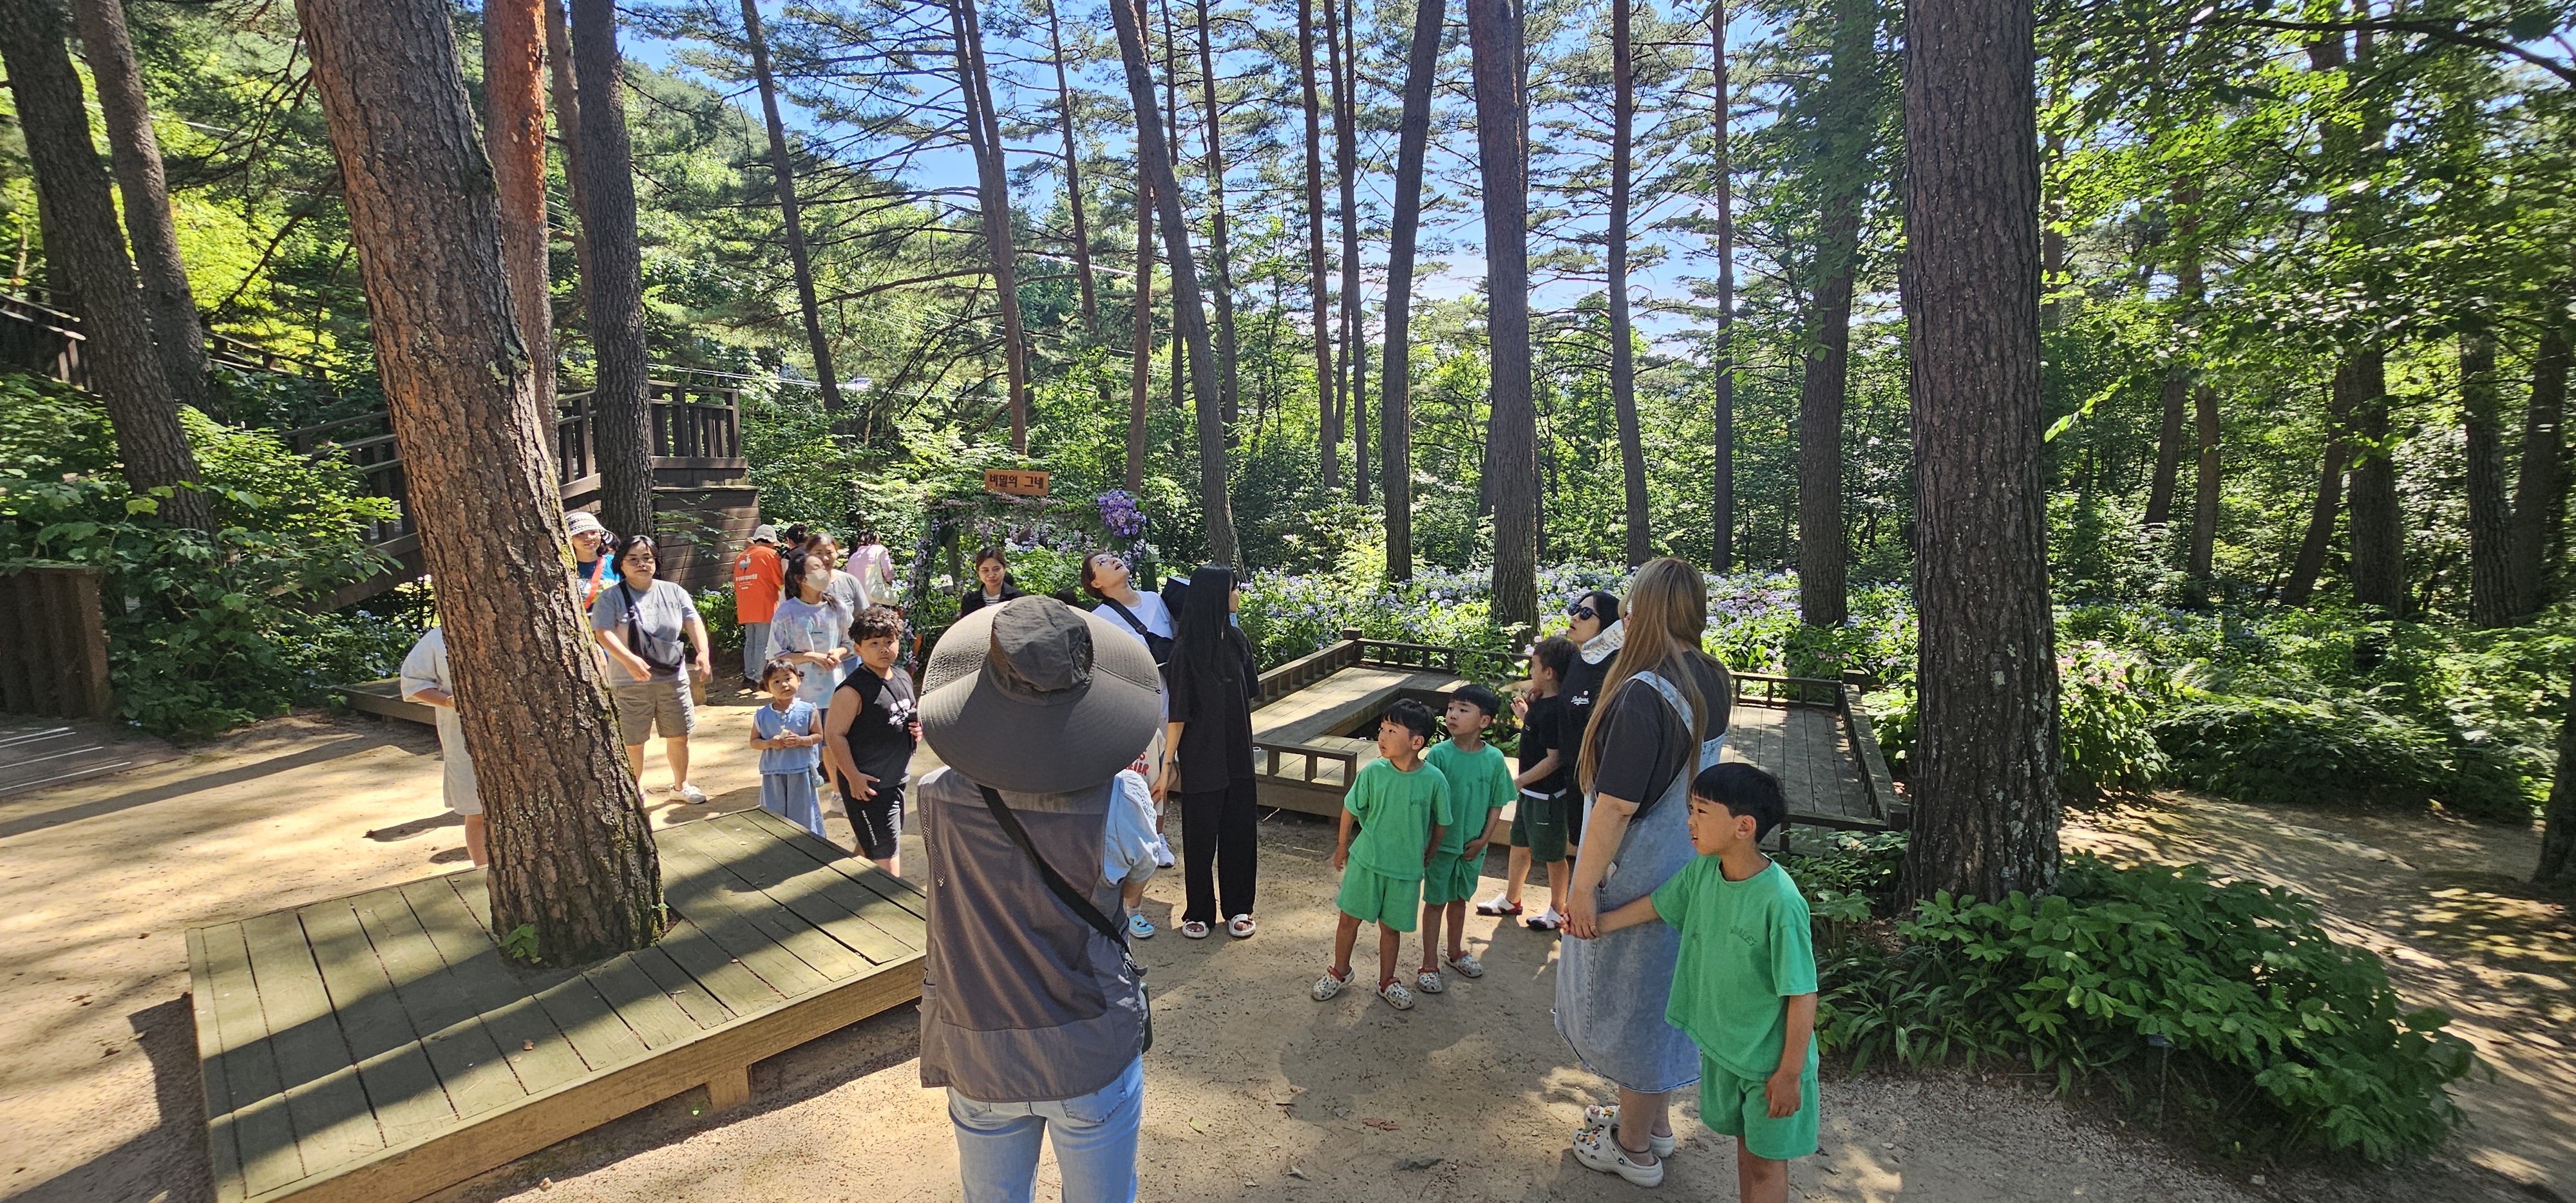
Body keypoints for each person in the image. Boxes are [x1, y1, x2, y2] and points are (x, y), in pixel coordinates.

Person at [912, 596, 1161, 1203]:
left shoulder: (937, 795)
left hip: (977, 1043)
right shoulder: (1120, 798)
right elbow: (1137, 877)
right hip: (1087, 1044)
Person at [1555, 558, 1732, 1187]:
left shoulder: (1643, 692)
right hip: (1687, 864)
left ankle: (1631, 1148)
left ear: (1645, 610)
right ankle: (1653, 1123)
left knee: (1632, 1005)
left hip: (1634, 872)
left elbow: (1616, 807)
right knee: (1663, 1000)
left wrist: (1581, 887)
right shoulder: (1713, 675)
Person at [1586, 764, 1817, 1198]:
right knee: (1747, 1151)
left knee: (1767, 1165)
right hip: (1725, 1051)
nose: (1690, 822)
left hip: (1769, 1064)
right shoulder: (1705, 871)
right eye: (1691, 809)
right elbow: (1661, 904)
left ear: (1744, 827)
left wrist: (1789, 1073)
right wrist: (1599, 924)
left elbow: (1803, 994)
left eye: (1702, 812)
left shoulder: (1781, 902)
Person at [1314, 699, 1450, 1010]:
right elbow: (1350, 808)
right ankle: (1339, 971)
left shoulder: (1434, 780)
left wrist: (1429, 853)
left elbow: (1442, 823)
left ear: (1417, 742)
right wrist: (1342, 845)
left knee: (1391, 929)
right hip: (1366, 862)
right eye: (1382, 729)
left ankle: (1387, 981)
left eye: (1392, 731)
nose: (1383, 737)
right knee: (1348, 919)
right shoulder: (1373, 772)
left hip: (1405, 870)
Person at [1156, 565, 1260, 940]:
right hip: (1201, 758)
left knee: (1240, 834)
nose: (1238, 595)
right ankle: (1198, 910)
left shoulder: (1238, 640)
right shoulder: (1185, 651)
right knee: (1200, 838)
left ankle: (1239, 908)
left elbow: (1249, 693)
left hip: (1238, 756)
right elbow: (1178, 714)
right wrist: (1168, 765)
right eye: (1233, 589)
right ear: (1216, 596)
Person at [589, 534, 715, 804]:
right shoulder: (611, 597)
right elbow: (602, 632)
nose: (641, 564)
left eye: (647, 558)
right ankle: (635, 792)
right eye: (633, 559)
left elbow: (692, 621)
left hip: (673, 678)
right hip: (629, 683)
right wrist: (628, 660)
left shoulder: (674, 591)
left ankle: (681, 786)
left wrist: (703, 653)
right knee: (633, 742)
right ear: (621, 564)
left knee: (679, 736)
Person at [1415, 685, 1515, 994]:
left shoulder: (1495, 759)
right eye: (1450, 708)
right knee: (1435, 903)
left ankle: (1456, 952)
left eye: (1463, 709)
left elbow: (1497, 803)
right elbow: (1428, 801)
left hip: (1472, 847)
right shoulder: (1438, 755)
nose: (1453, 715)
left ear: (1484, 721)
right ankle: (1428, 963)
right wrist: (1429, 845)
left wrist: (1484, 840)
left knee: (1460, 900)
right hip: (1440, 848)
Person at [1484, 636, 1579, 929]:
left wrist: (1520, 780)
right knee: (1519, 843)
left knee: (1553, 855)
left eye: (1534, 666)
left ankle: (1558, 909)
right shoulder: (1541, 703)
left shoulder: (1554, 710)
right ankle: (1512, 899)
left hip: (1547, 797)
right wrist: (1526, 715)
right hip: (1531, 793)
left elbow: (1555, 758)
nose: (1530, 672)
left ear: (1549, 672)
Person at [824, 605, 918, 874]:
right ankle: (889, 900)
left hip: (896, 779)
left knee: (872, 846)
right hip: (868, 786)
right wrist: (853, 777)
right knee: (887, 862)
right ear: (858, 649)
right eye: (874, 644)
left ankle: (848, 884)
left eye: (889, 641)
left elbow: (906, 716)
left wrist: (916, 730)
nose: (883, 649)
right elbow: (834, 735)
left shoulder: (903, 677)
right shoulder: (852, 691)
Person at [398, 625, 486, 867]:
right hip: (463, 737)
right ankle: (483, 872)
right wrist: (448, 701)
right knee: (477, 811)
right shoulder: (440, 636)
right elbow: (414, 682)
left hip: (529, 737)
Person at [749, 655, 828, 838]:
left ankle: (808, 843)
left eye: (788, 678)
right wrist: (770, 743)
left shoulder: (808, 710)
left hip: (801, 771)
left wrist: (801, 740)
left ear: (799, 680)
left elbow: (818, 736)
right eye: (776, 681)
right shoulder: (762, 715)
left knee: (804, 813)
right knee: (774, 814)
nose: (784, 685)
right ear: (767, 687)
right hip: (773, 772)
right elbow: (754, 742)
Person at [769, 548, 853, 710]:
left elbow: (853, 642)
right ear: (800, 579)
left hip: (836, 691)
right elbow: (776, 656)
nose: (823, 572)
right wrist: (812, 657)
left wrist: (839, 652)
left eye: (823, 567)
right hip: (801, 698)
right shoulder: (786, 612)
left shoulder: (837, 607)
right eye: (816, 568)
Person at [732, 524, 786, 688]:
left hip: (745, 605)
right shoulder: (770, 555)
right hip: (765, 604)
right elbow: (780, 581)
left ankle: (749, 675)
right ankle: (759, 678)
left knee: (751, 642)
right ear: (771, 542)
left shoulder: (741, 557)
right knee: (763, 643)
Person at [567, 510, 617, 609]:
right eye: (580, 534)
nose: (589, 538)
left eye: (594, 532)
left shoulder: (615, 563)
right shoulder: (564, 568)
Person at [956, 547, 1026, 617]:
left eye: (996, 569)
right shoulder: (969, 600)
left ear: (1004, 569)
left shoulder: (1017, 598)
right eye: (985, 570)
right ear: (978, 572)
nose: (991, 575)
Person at [848, 525, 900, 607]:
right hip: (876, 597)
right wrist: (890, 582)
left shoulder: (853, 557)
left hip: (858, 601)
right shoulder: (879, 550)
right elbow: (888, 572)